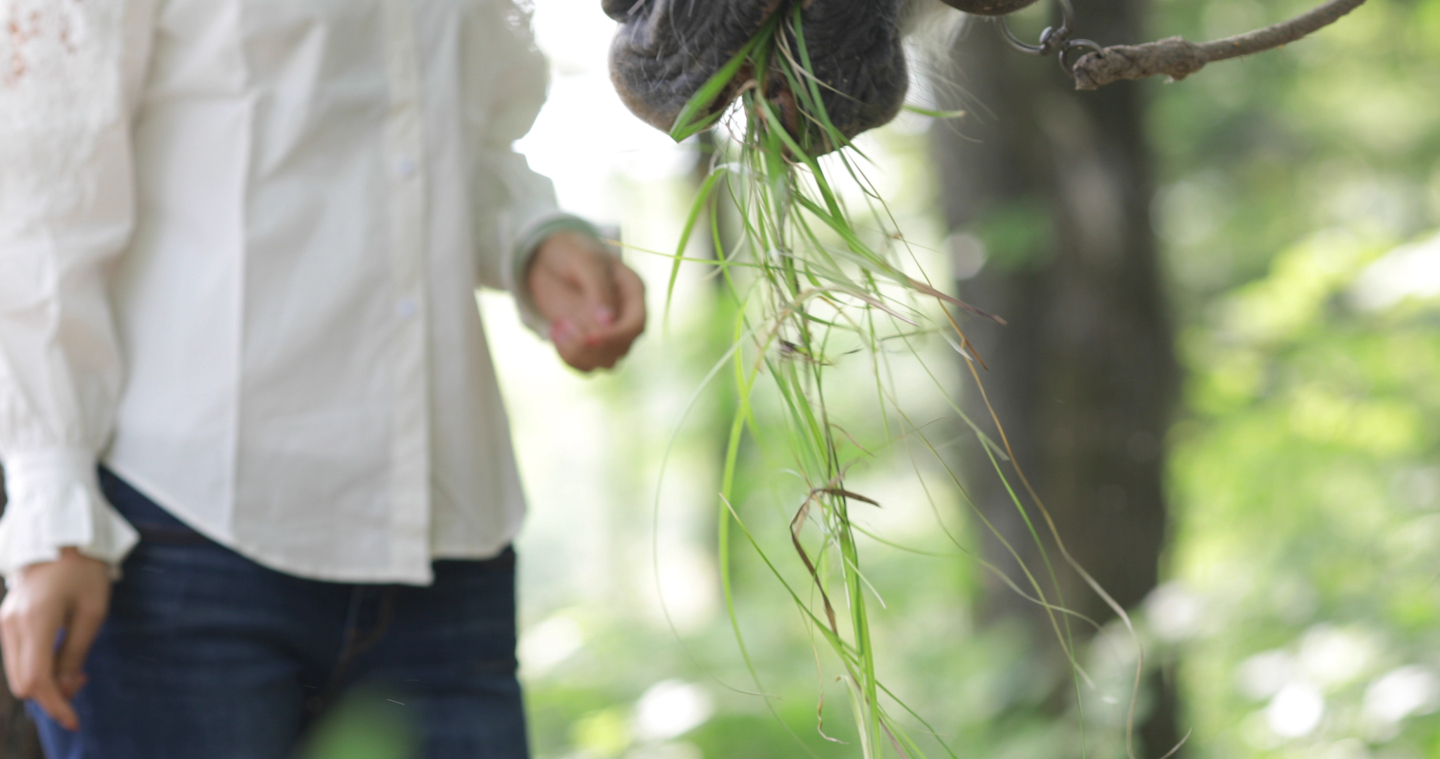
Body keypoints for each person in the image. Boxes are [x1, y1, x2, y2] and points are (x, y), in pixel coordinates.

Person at [0, 1, 645, 757]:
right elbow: (40, 190)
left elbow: (450, 141)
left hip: (448, 554)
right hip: (179, 548)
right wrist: (52, 508)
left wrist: (531, 238)